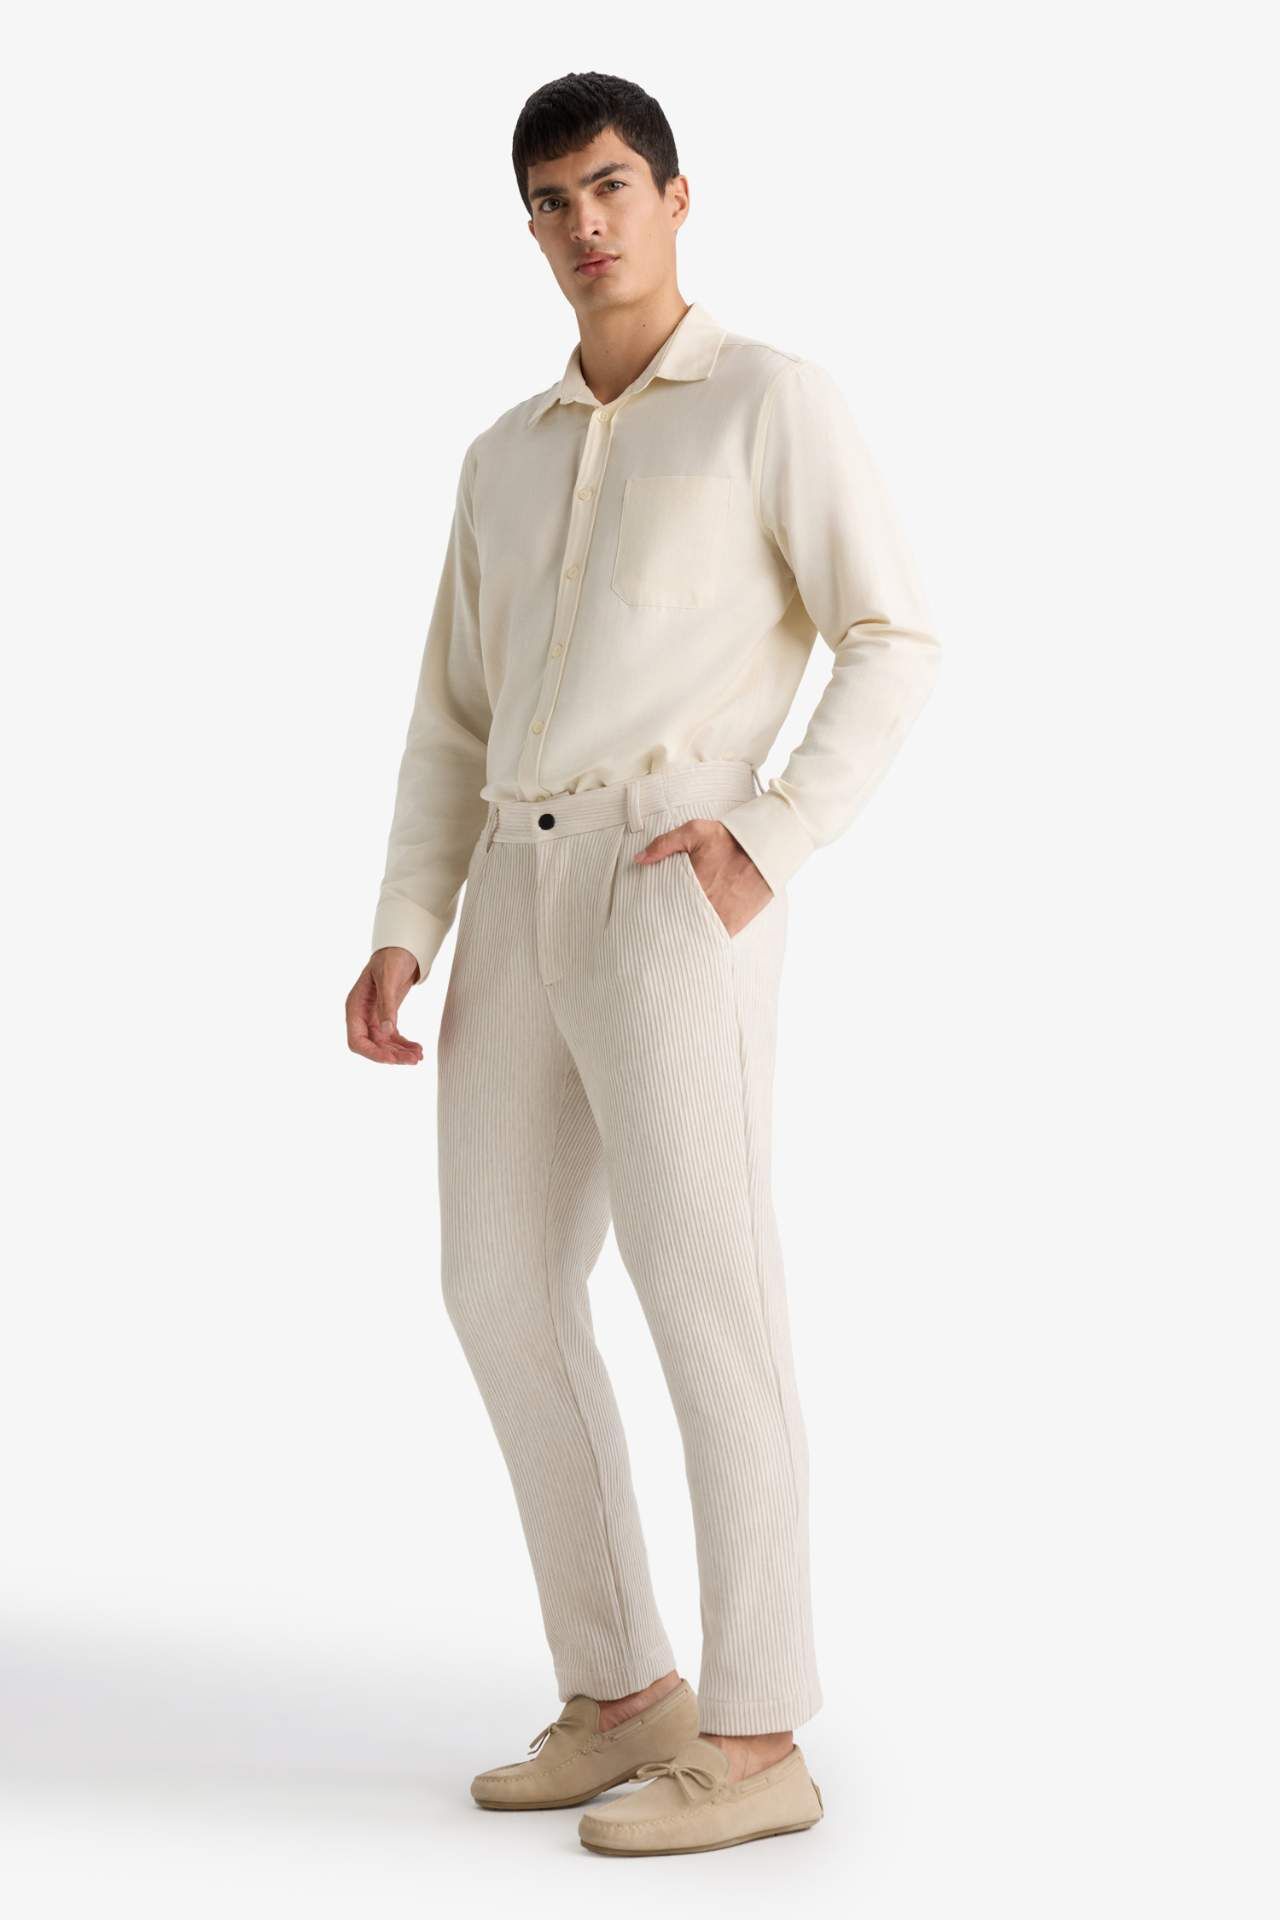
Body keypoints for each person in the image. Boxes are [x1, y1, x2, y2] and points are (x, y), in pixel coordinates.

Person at [345, 69, 940, 1856]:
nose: (583, 223)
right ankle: (623, 1695)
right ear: (528, 227)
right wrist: (405, 924)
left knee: (707, 1299)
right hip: (515, 884)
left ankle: (758, 1739)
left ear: (677, 196)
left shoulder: (770, 403)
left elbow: (893, 633)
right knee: (498, 1287)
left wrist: (774, 833)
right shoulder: (502, 457)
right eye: (551, 200)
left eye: (610, 186)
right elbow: (451, 720)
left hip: (677, 877)